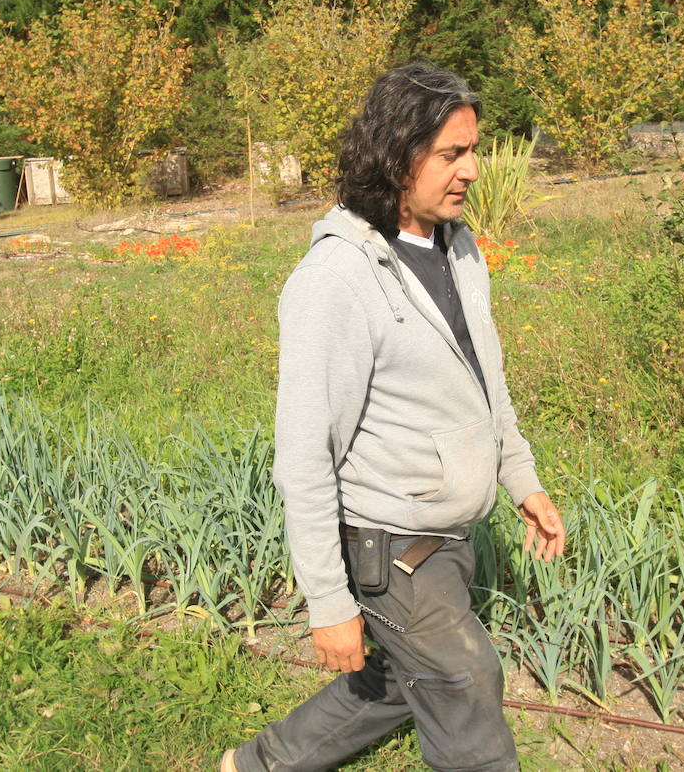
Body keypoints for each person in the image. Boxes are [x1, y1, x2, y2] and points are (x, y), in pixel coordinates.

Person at [224, 61, 565, 772]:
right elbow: (304, 455)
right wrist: (328, 601)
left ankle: (257, 766)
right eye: (452, 154)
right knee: (463, 680)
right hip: (390, 545)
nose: (472, 170)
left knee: (398, 683)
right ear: (396, 155)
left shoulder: (459, 247)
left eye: (473, 150)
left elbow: (483, 383)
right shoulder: (335, 280)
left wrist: (522, 481)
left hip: (447, 532)